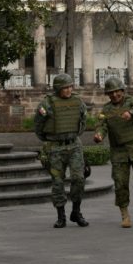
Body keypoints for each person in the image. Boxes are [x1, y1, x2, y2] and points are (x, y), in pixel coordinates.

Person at [92, 77, 133, 228]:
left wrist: (131, 113)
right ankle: (124, 215)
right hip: (118, 151)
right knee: (120, 183)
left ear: (122, 91)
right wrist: (99, 134)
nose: (114, 95)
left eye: (116, 92)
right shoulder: (106, 110)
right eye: (111, 93)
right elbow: (102, 125)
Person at [34, 73, 88, 228]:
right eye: (65, 88)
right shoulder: (47, 104)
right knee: (58, 182)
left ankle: (76, 212)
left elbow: (83, 121)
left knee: (78, 178)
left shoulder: (78, 101)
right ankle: (61, 216)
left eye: (70, 86)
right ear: (58, 88)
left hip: (74, 145)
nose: (69, 90)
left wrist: (74, 137)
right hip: (55, 147)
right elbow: (38, 126)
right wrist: (49, 141)